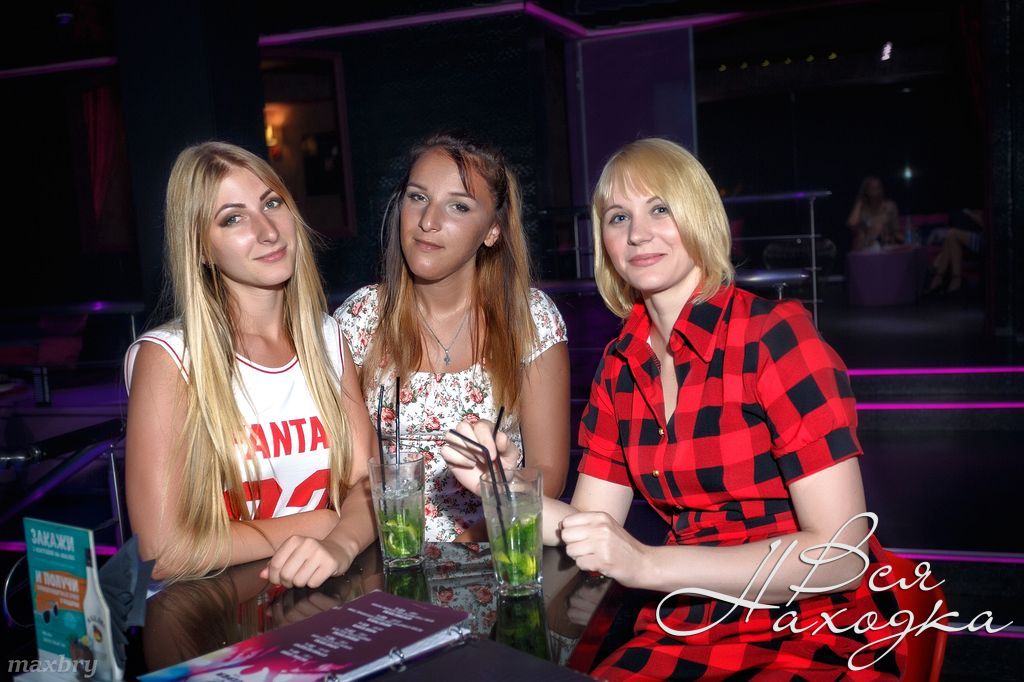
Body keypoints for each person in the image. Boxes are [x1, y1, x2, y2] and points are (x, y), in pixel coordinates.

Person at [443, 139, 907, 678]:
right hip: (689, 616)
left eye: (660, 208)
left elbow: (841, 557)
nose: (638, 233)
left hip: (810, 620)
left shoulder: (773, 338)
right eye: (619, 217)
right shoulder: (621, 365)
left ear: (700, 216)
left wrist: (648, 564)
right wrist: (497, 485)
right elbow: (590, 526)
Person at [125, 142, 376, 587]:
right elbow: (162, 549)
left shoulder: (326, 338)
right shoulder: (170, 357)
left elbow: (367, 483)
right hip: (219, 610)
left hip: (325, 597)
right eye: (233, 218)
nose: (267, 231)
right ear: (200, 248)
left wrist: (341, 543)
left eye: (272, 203)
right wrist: (319, 523)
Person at [336, 132, 569, 542]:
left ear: (492, 231)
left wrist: (466, 547)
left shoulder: (529, 318)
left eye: (458, 206)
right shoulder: (361, 317)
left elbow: (547, 473)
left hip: (494, 550)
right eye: (417, 197)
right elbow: (347, 474)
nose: (428, 221)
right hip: (385, 549)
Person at [926, 208, 984, 294]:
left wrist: (970, 214)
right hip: (969, 238)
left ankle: (940, 277)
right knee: (951, 236)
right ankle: (951, 280)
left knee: (952, 234)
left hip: (985, 240)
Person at [847, 175, 901, 251]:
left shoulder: (890, 207)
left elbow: (896, 231)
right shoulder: (862, 208)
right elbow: (851, 224)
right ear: (866, 190)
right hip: (864, 248)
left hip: (885, 247)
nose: (876, 190)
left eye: (878, 187)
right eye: (872, 188)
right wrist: (860, 201)